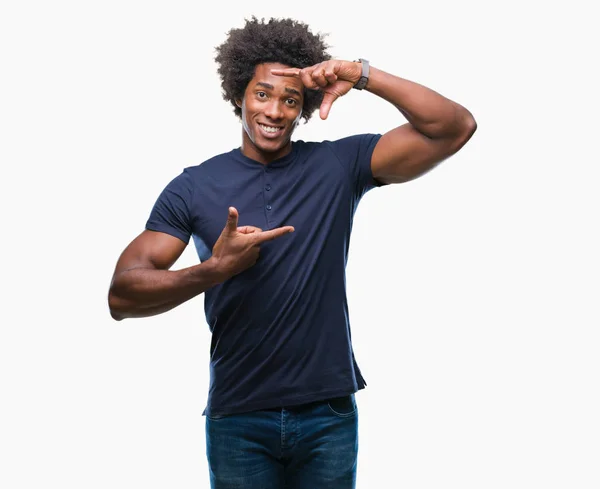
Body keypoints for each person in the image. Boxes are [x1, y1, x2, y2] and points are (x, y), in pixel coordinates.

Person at [108, 16, 476, 489]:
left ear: (304, 108)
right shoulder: (194, 186)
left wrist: (361, 74)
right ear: (240, 93)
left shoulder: (338, 166)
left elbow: (453, 127)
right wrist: (214, 269)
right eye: (263, 94)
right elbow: (122, 296)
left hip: (328, 414)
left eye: (290, 99)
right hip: (239, 418)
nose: (275, 111)